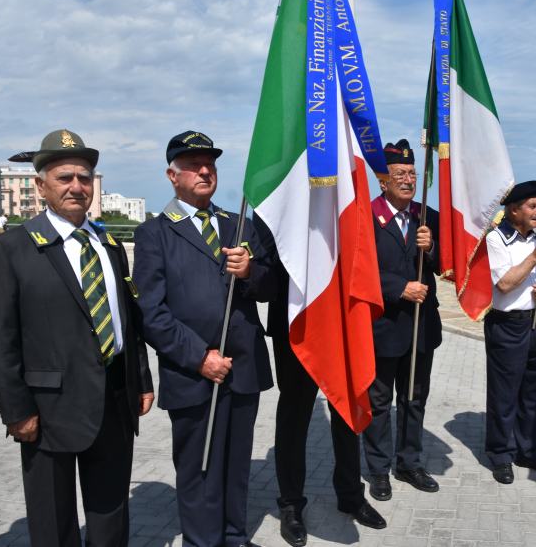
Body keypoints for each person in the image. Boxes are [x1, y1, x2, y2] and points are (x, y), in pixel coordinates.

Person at [0, 129, 154, 546]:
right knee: (53, 520)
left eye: (85, 177)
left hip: (114, 400)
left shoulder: (110, 244)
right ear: (41, 186)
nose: (77, 186)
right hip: (46, 410)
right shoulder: (13, 249)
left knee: (111, 512)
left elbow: (128, 318)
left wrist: (141, 380)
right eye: (64, 178)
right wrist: (16, 410)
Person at [133, 130, 274, 547]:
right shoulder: (155, 233)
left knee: (235, 464)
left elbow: (271, 287)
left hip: (243, 367)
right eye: (193, 164)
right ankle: (202, 541)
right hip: (194, 374)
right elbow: (151, 313)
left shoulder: (238, 225)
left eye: (210, 163)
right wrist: (199, 357)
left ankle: (234, 535)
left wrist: (251, 272)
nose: (204, 170)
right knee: (199, 469)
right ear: (172, 175)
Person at [258, 220, 386, 547]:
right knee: (294, 418)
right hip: (296, 323)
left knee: (345, 413)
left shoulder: (339, 190)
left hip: (340, 320)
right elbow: (266, 268)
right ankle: (290, 504)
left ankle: (350, 495)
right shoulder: (281, 194)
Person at [363, 139, 442, 501]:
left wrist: (433, 248)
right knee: (379, 402)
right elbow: (356, 269)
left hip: (421, 326)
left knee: (414, 398)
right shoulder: (364, 216)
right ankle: (378, 469)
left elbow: (446, 266)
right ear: (384, 180)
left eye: (412, 173)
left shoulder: (429, 217)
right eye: (400, 174)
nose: (409, 179)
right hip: (383, 326)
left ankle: (409, 462)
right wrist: (397, 287)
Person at [483, 181, 536, 484]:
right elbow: (503, 283)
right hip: (508, 324)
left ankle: (529, 449)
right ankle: (501, 452)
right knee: (505, 393)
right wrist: (534, 258)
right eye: (532, 206)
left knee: (535, 392)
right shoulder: (497, 240)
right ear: (513, 209)